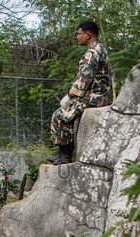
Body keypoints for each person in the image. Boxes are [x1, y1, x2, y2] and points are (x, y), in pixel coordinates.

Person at [49, 21, 111, 165]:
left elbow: (84, 78)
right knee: (67, 112)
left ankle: (64, 156)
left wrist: (70, 96)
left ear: (87, 35)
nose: (77, 37)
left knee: (59, 115)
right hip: (97, 95)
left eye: (79, 33)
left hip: (94, 98)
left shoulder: (93, 52)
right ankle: (64, 154)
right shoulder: (100, 49)